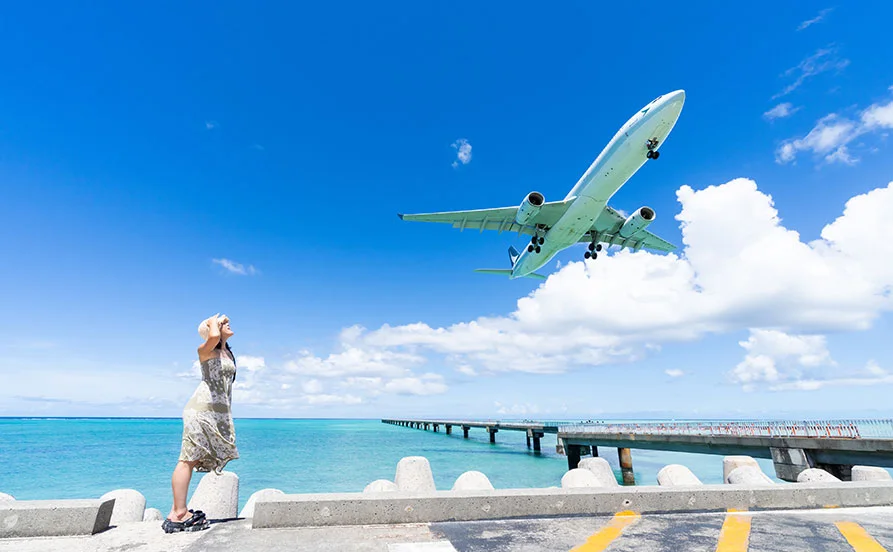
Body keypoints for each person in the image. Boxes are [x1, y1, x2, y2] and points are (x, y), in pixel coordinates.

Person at [163, 313, 240, 533]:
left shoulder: (226, 352)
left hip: (215, 412)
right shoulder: (205, 349)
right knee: (187, 459)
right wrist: (214, 321)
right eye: (223, 324)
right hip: (200, 411)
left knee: (191, 458)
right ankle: (178, 513)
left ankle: (176, 510)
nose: (227, 324)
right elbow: (214, 336)